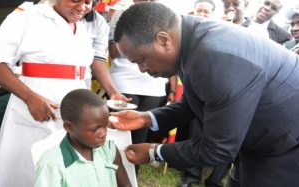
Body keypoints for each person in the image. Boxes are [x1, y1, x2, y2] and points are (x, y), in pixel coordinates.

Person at [110, 2, 299, 186]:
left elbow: (218, 149)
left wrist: (155, 152)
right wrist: (146, 118)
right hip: (263, 141)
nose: (142, 69)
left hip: (287, 145)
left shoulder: (215, 57)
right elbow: (195, 101)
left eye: (142, 60)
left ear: (163, 40)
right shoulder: (189, 39)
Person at [0, 0, 107, 186]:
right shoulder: (26, 16)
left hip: (72, 120)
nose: (82, 7)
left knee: (64, 175)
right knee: (27, 173)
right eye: (75, 0)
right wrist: (30, 98)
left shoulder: (80, 29)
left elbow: (81, 76)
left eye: (88, 2)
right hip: (33, 117)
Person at [108, 0, 177, 174]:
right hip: (123, 82)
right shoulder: (121, 13)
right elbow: (113, 53)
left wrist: (173, 89)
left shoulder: (163, 14)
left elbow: (172, 53)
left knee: (140, 135)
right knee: (117, 133)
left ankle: (132, 176)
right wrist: (128, 34)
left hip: (153, 85)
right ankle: (110, 175)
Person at [34, 89, 131, 187]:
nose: (103, 133)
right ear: (69, 127)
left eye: (105, 126)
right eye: (95, 129)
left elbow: (126, 185)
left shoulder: (110, 150)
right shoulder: (52, 163)